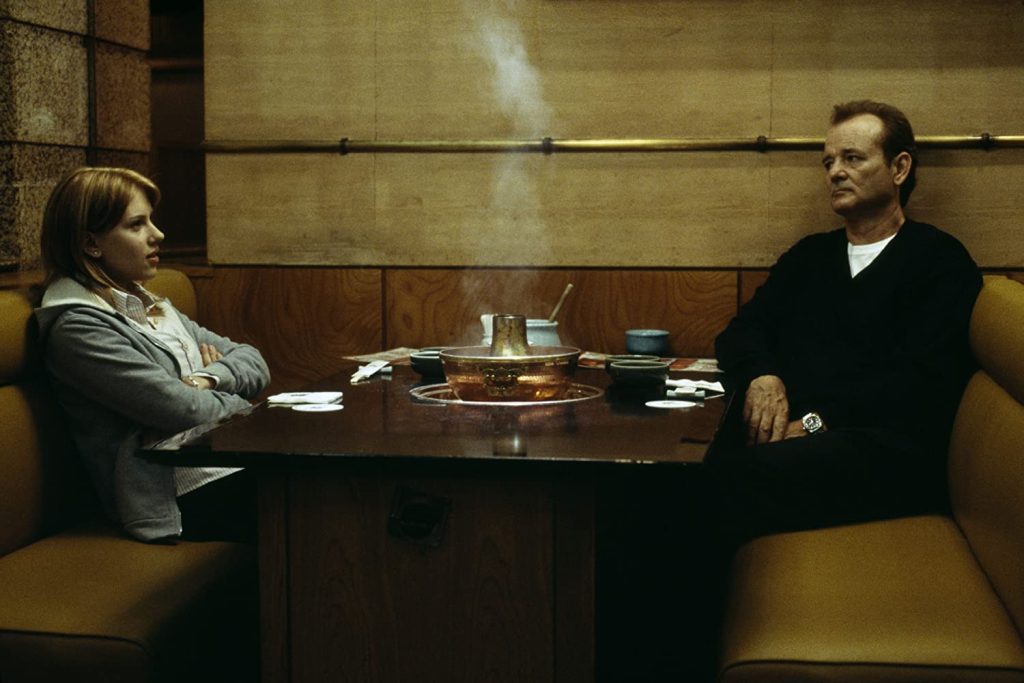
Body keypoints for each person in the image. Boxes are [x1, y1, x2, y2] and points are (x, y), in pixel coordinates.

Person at [710, 100, 982, 542]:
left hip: (888, 455)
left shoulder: (940, 261)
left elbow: (919, 382)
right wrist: (762, 375)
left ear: (899, 168)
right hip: (797, 445)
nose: (835, 172)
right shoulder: (809, 256)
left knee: (721, 479)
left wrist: (816, 423)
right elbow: (742, 331)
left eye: (852, 158)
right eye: (829, 162)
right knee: (689, 461)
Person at [35, 167, 271, 543]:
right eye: (136, 224)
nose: (157, 234)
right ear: (91, 243)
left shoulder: (150, 304)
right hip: (179, 497)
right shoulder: (77, 327)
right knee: (328, 502)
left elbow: (254, 361)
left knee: (341, 488)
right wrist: (248, 407)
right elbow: (182, 409)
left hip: (228, 465)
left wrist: (206, 378)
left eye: (151, 220)